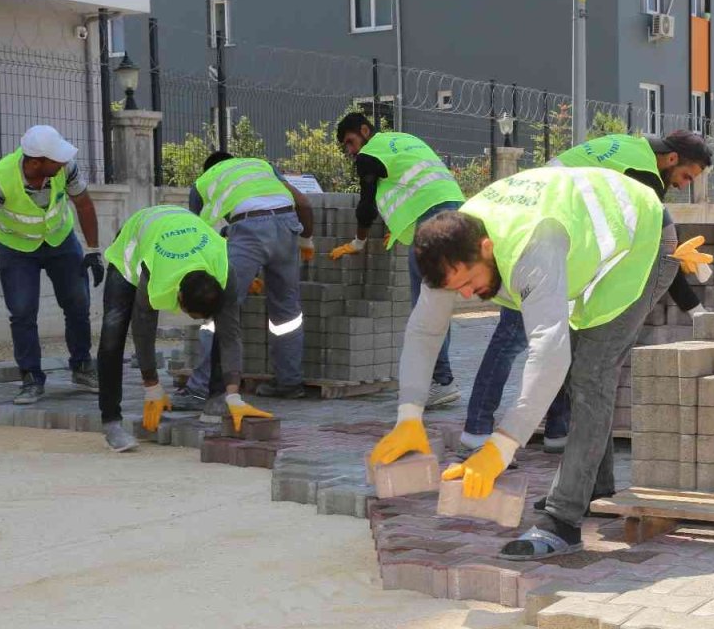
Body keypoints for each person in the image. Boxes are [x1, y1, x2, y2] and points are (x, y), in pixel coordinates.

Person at [368, 167, 710, 560]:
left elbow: (548, 353)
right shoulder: (451, 245)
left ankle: (563, 521)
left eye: (468, 282)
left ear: (485, 247)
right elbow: (425, 331)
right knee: (577, 375)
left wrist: (501, 446)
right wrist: (408, 415)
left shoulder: (531, 247)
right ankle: (593, 490)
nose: (466, 294)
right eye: (455, 288)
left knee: (589, 373)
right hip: (586, 234)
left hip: (640, 237)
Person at [461, 131, 714, 453]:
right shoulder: (643, 171)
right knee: (513, 338)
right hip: (531, 240)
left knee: (560, 338)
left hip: (556, 239)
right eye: (686, 176)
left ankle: (557, 430)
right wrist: (693, 306)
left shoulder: (631, 148)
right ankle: (478, 433)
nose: (684, 185)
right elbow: (650, 244)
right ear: (672, 159)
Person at [96, 205, 271, 452]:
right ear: (178, 297)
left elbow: (231, 334)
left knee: (225, 327)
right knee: (112, 336)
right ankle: (111, 422)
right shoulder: (156, 276)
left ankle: (220, 398)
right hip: (134, 245)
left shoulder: (224, 272)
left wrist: (234, 393)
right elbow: (143, 328)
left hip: (180, 232)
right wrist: (152, 386)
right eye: (192, 315)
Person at [331, 112, 465, 408]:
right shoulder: (402, 140)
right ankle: (440, 379)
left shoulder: (369, 154)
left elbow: (366, 207)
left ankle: (441, 381)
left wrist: (358, 241)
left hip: (431, 219)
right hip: (453, 210)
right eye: (346, 147)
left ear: (364, 131)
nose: (350, 151)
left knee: (426, 304)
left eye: (350, 142)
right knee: (436, 299)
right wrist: (400, 224)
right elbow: (409, 184)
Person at [0, 125, 102, 405]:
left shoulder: (66, 169)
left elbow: (84, 205)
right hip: (17, 250)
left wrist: (93, 250)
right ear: (36, 161)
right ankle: (31, 378)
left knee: (78, 303)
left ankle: (82, 366)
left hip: (60, 242)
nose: (63, 162)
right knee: (22, 312)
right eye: (56, 159)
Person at [177, 152, 316, 407]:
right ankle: (289, 383)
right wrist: (306, 240)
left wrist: (234, 268)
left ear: (208, 170)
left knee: (220, 308)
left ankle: (200, 390)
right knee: (287, 313)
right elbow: (304, 204)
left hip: (250, 229)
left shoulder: (203, 182)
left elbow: (199, 237)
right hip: (287, 226)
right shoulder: (263, 166)